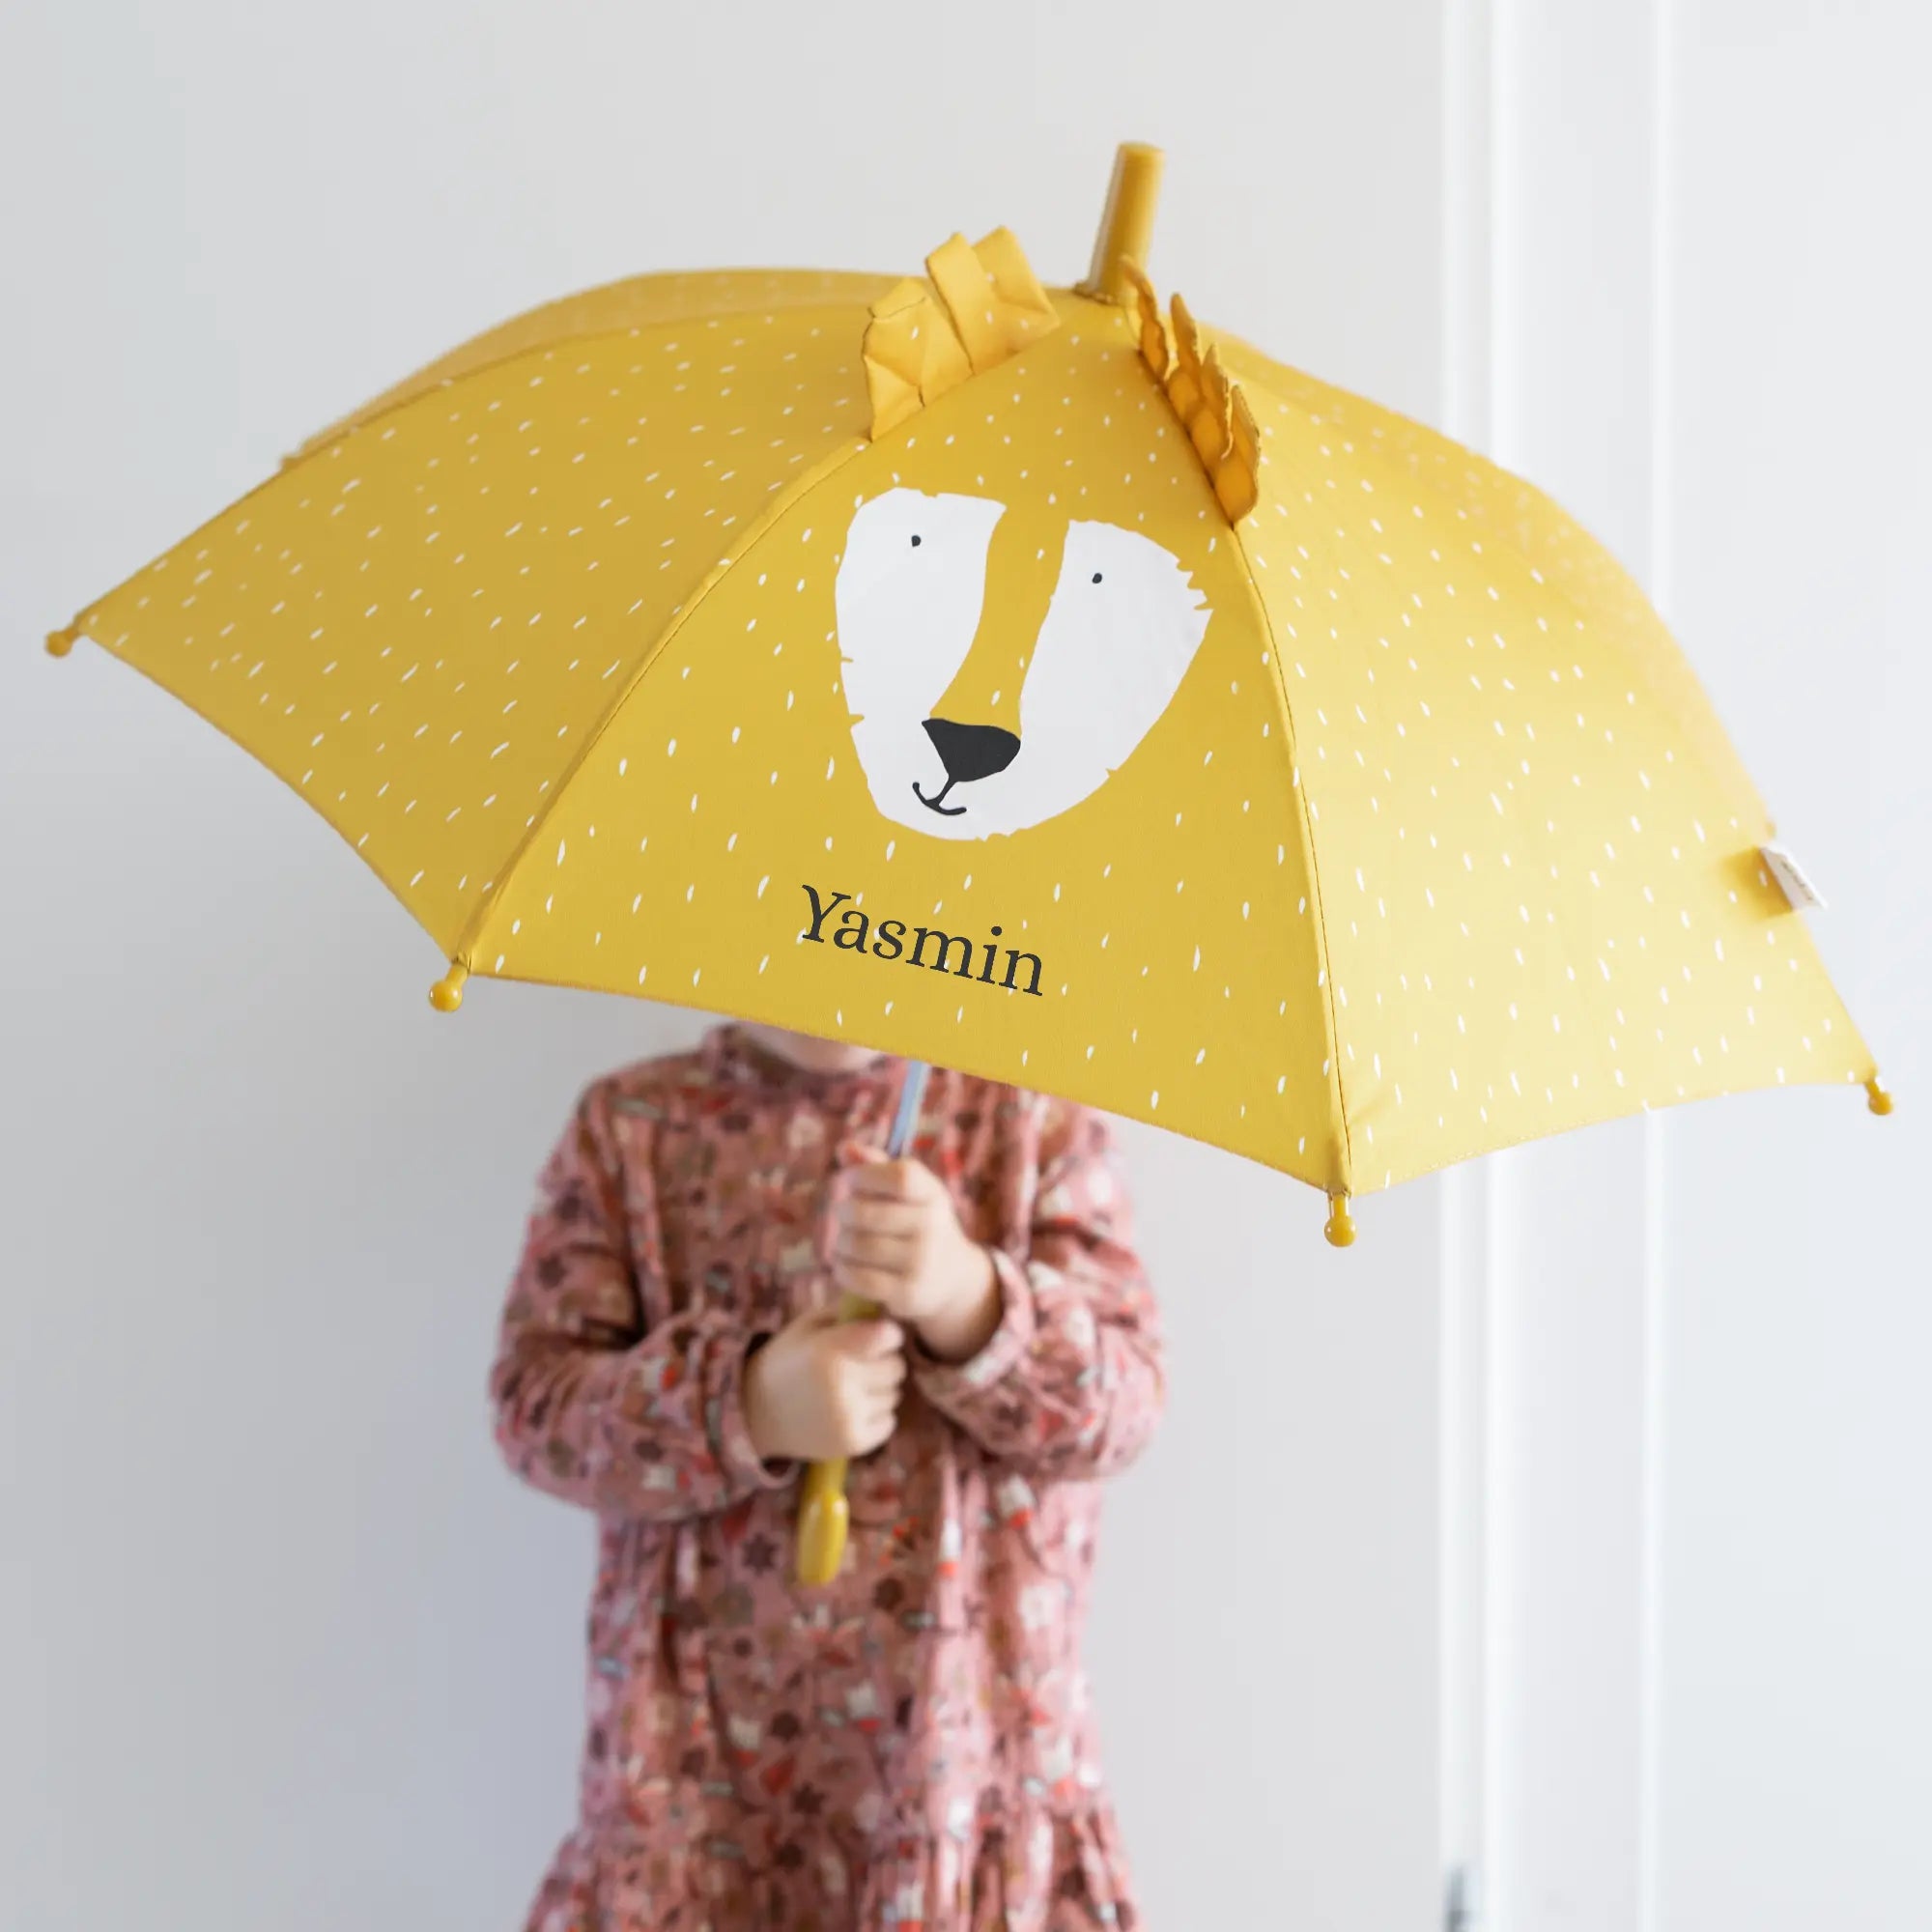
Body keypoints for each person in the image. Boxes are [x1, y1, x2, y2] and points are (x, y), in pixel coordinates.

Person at [491, 1019, 1164, 1930]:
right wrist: (748, 1403)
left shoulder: (1032, 1122)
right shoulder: (633, 1127)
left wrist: (966, 1298)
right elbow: (536, 1411)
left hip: (964, 1779)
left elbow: (1122, 1408)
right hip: (697, 1789)